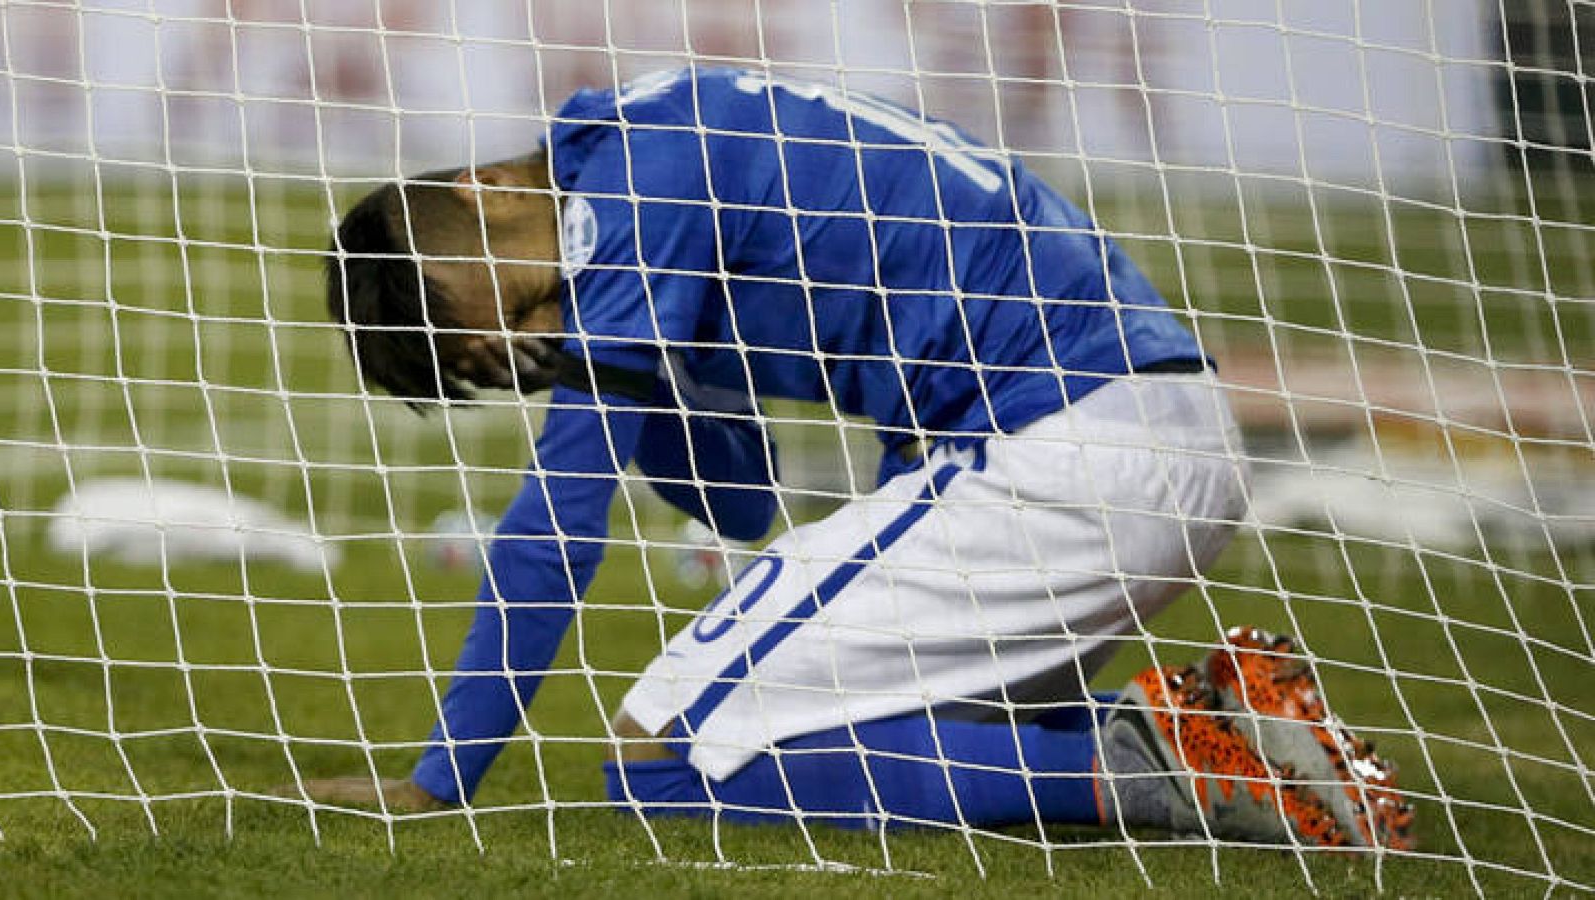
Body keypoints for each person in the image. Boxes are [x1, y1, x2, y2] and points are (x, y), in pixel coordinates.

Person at [310, 67, 1411, 847]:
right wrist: (612, 374)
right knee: (848, 733)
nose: (521, 340)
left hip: (1058, 446)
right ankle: (1231, 732)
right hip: (1134, 440)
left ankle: (1156, 768)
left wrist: (440, 778)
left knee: (667, 749)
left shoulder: (633, 195)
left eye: (494, 308)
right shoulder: (664, 153)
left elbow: (555, 530)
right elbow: (741, 500)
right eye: (492, 359)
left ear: (486, 192)